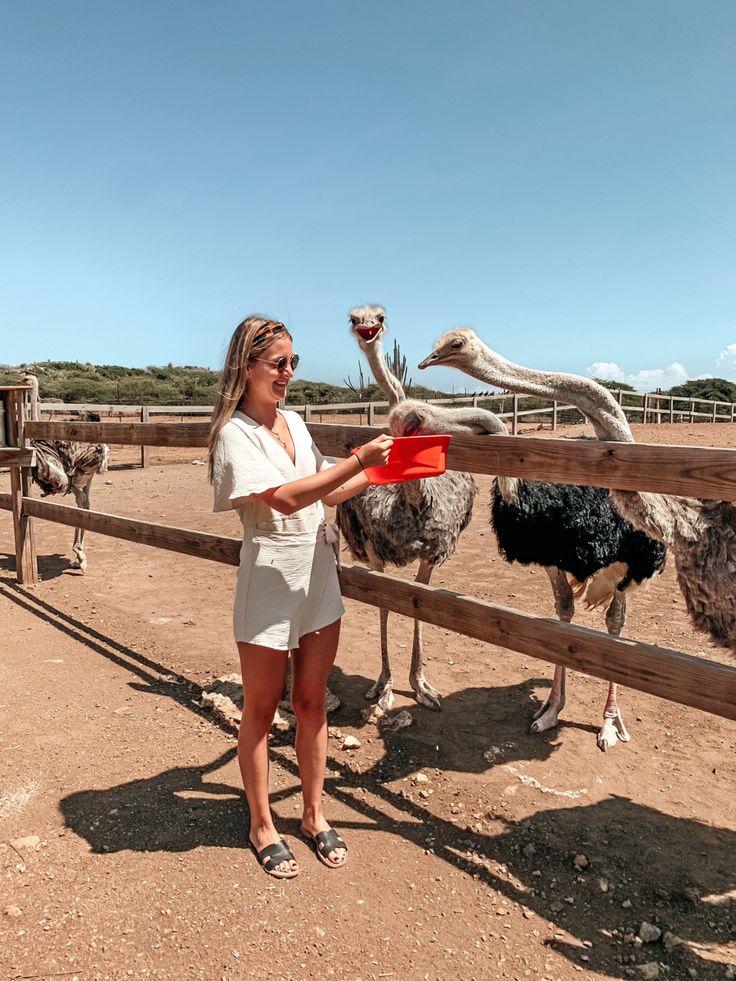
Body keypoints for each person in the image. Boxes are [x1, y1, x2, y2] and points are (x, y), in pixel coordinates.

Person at [208, 316, 393, 879]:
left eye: (294, 363)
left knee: (312, 701)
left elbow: (328, 491)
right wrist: (360, 458)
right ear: (248, 368)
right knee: (262, 709)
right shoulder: (234, 434)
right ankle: (262, 823)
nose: (289, 373)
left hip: (316, 572)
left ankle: (314, 814)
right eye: (279, 363)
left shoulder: (293, 421)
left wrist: (386, 471)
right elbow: (285, 499)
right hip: (268, 576)